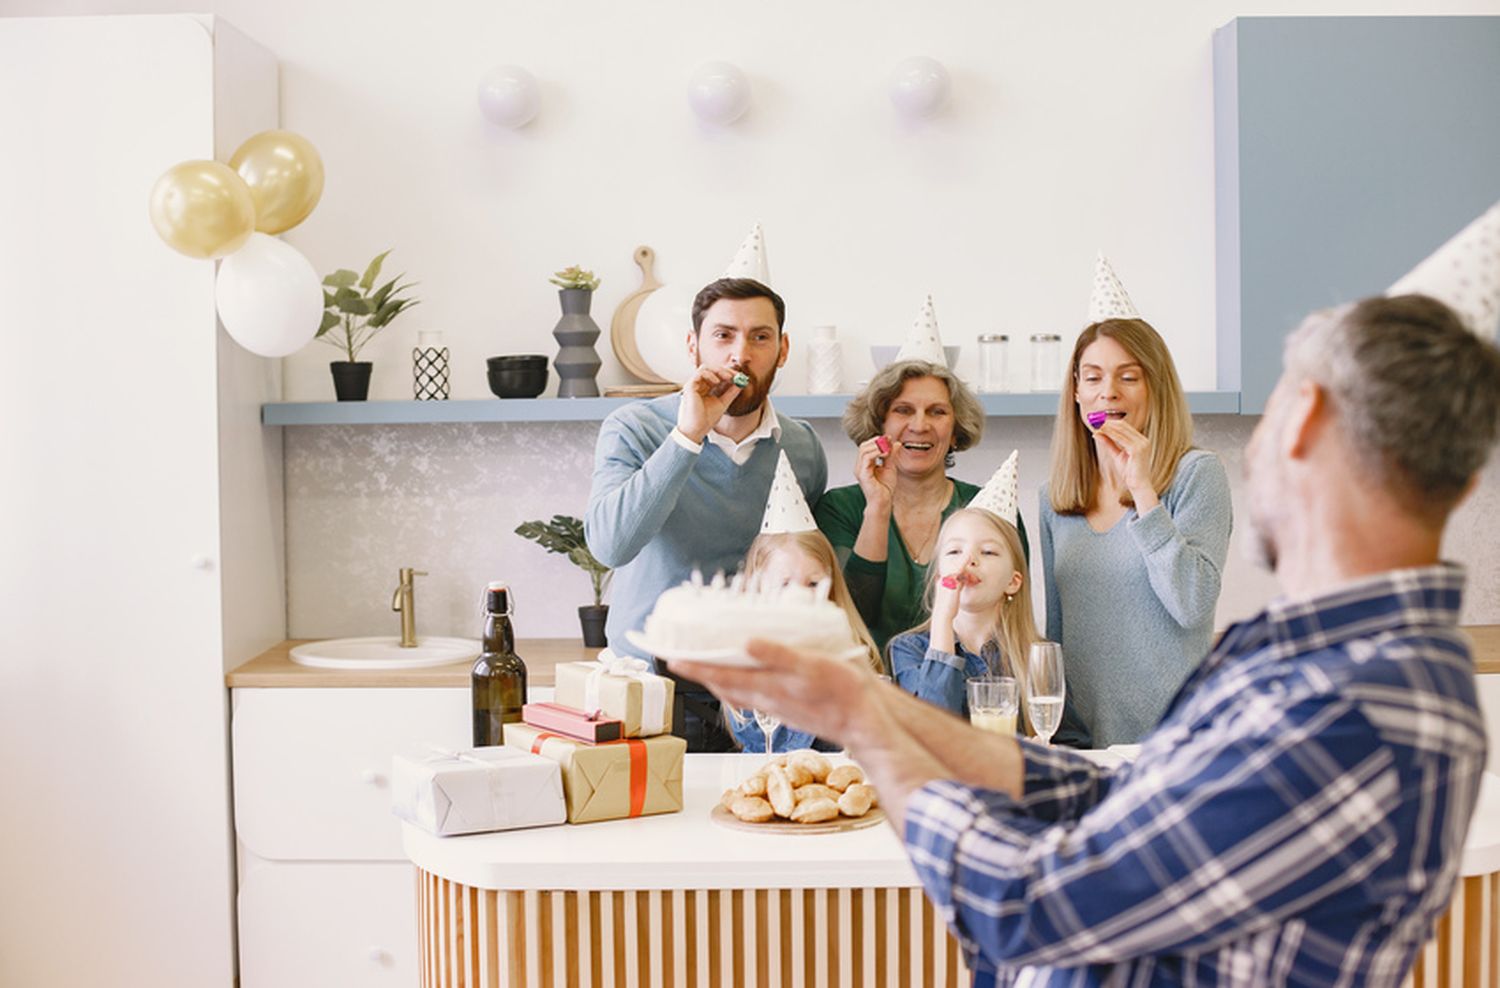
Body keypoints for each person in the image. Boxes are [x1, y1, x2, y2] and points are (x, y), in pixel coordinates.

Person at [673, 292, 1500, 985]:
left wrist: (868, 738)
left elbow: (1033, 907)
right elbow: (1112, 800)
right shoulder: (1315, 655)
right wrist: (869, 706)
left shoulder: (1352, 703)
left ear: (1303, 420)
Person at [584, 277, 827, 751]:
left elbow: (804, 567)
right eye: (723, 335)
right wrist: (688, 436)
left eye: (760, 336)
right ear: (693, 346)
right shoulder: (634, 428)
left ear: (783, 349)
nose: (741, 353)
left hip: (762, 698)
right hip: (651, 691)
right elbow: (610, 545)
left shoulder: (802, 446)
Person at [1039, 317, 1231, 745]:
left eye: (1129, 377)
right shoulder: (1054, 498)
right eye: (1093, 377)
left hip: (1171, 741)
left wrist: (1142, 490)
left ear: (1154, 389)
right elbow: (1058, 632)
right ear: (1076, 391)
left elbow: (1192, 605)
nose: (1108, 391)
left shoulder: (1196, 475)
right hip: (1083, 744)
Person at [815, 360, 1028, 654]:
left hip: (965, 690)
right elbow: (853, 618)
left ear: (955, 430)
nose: (919, 425)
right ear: (879, 426)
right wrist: (877, 506)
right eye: (903, 410)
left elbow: (1013, 618)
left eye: (937, 412)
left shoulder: (989, 512)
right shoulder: (840, 508)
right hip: (867, 689)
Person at [724, 528, 882, 753]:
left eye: (813, 584)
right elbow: (760, 740)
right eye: (785, 584)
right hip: (766, 774)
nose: (801, 596)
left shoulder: (852, 651)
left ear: (830, 587)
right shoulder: (746, 659)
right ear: (758, 590)